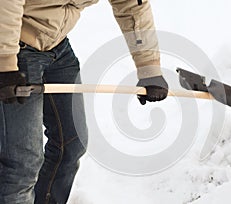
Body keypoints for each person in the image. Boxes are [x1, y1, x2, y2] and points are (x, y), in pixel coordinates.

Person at [0, 0, 168, 203]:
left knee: (70, 144)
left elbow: (132, 4)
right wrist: (5, 63)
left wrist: (149, 67)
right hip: (13, 44)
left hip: (57, 46)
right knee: (22, 163)